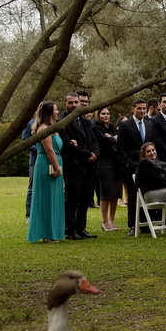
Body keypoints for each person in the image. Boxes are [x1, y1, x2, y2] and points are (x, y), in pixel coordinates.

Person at [58, 92, 98, 240]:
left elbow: (94, 140)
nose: (74, 105)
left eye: (76, 102)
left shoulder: (86, 121)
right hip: (74, 166)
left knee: (85, 198)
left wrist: (96, 153)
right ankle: (70, 229)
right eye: (71, 103)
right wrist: (89, 154)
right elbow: (68, 146)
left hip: (89, 167)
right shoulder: (62, 122)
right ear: (65, 104)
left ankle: (81, 228)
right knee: (72, 198)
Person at [27, 102, 64, 243]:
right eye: (55, 109)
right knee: (47, 199)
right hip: (47, 165)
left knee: (54, 199)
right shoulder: (43, 129)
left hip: (56, 162)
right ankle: (47, 234)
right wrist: (57, 167)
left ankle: (53, 232)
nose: (58, 111)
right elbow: (49, 150)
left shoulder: (52, 128)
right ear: (49, 112)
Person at [116, 99, 150, 236]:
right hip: (132, 166)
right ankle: (132, 225)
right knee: (133, 195)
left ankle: (145, 222)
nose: (142, 111)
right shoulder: (125, 125)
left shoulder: (149, 124)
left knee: (146, 194)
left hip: (148, 166)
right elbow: (120, 147)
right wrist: (129, 162)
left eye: (144, 108)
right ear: (133, 109)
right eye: (139, 108)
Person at [136, 142, 166, 232]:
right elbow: (156, 181)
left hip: (162, 191)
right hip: (150, 194)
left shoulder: (161, 164)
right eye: (148, 151)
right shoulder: (144, 164)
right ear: (144, 154)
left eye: (153, 150)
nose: (152, 153)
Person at [93, 107, 121, 232]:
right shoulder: (96, 127)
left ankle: (112, 219)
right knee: (106, 192)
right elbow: (104, 141)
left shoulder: (111, 128)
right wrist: (112, 138)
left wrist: (112, 137)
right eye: (103, 114)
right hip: (103, 163)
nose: (106, 116)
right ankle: (105, 221)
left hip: (116, 162)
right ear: (98, 115)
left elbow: (118, 139)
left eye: (108, 114)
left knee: (116, 192)